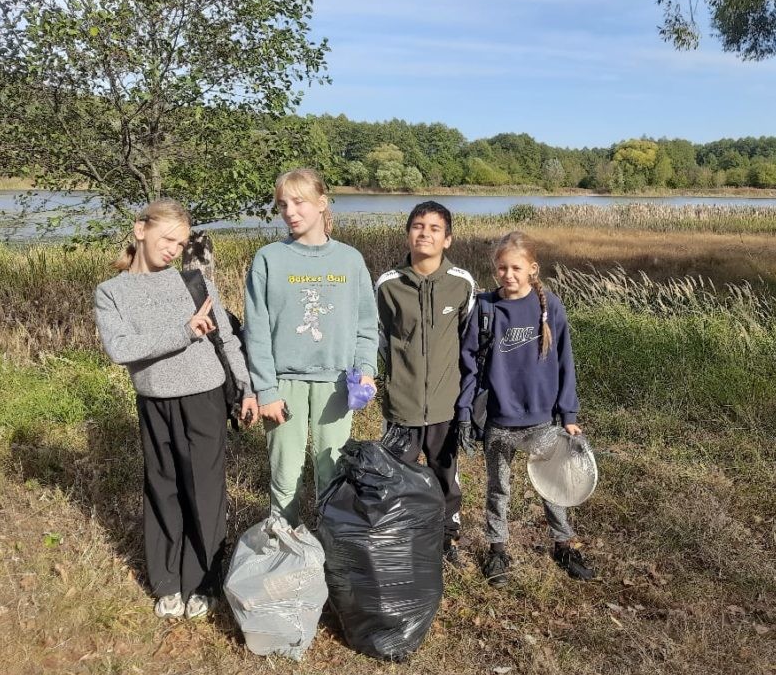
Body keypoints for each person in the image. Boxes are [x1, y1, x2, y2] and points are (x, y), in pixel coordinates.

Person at [94, 199, 258, 620]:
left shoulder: (193, 282)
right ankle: (167, 582)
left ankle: (203, 580)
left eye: (180, 242)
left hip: (204, 394)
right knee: (163, 488)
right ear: (140, 230)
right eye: (167, 239)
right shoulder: (111, 292)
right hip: (154, 399)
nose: (172, 249)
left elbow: (229, 341)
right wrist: (183, 332)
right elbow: (121, 348)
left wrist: (247, 387)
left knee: (204, 490)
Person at [456, 230, 594, 587]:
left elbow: (566, 362)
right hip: (500, 420)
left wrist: (570, 415)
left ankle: (563, 545)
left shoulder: (550, 306)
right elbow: (468, 364)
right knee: (498, 488)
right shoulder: (485, 308)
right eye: (501, 268)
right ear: (494, 269)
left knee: (553, 487)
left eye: (516, 268)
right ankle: (497, 549)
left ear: (532, 268)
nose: (508, 275)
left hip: (542, 420)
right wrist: (466, 412)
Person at [243, 168, 378, 526]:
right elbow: (255, 331)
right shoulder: (269, 258)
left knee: (331, 474)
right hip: (283, 384)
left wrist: (366, 370)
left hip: (335, 384)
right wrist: (266, 390)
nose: (290, 211)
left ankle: (329, 551)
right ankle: (283, 547)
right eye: (283, 204)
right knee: (285, 476)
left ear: (322, 204)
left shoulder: (350, 260)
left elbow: (367, 324)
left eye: (299, 202)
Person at [374, 201, 476, 565]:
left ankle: (448, 539)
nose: (425, 234)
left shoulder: (462, 284)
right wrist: (384, 382)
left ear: (447, 239)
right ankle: (401, 534)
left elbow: (469, 342)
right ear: (408, 234)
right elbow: (380, 339)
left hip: (446, 403)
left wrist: (468, 398)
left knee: (444, 472)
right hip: (401, 403)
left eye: (435, 228)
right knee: (397, 475)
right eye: (418, 226)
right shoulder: (389, 284)